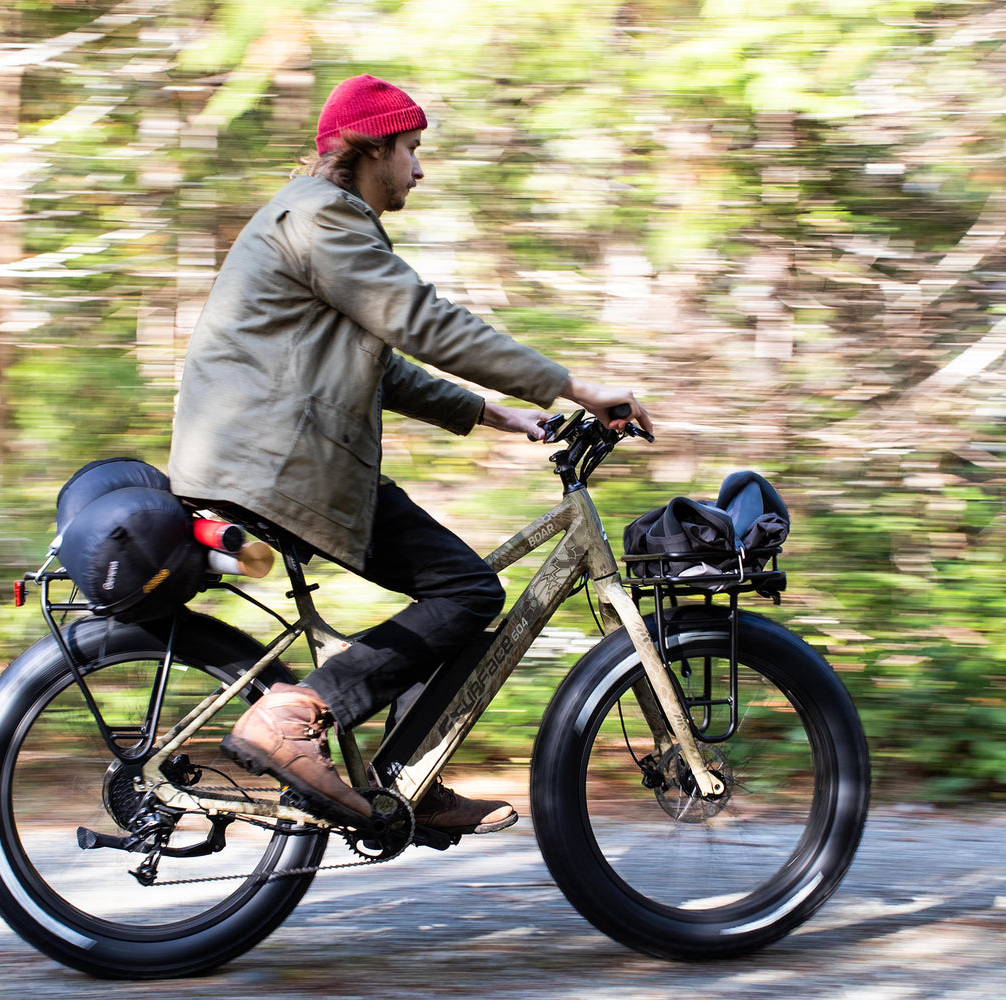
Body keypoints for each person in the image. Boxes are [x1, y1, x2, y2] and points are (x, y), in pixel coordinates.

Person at [167, 74, 651, 834]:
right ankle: (295, 717)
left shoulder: (311, 220)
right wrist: (576, 388)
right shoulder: (323, 217)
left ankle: (405, 778)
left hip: (270, 456)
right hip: (272, 464)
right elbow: (423, 320)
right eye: (412, 149)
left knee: (453, 592)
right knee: (466, 591)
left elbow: (375, 364)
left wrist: (494, 414)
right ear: (372, 149)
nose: (418, 170)